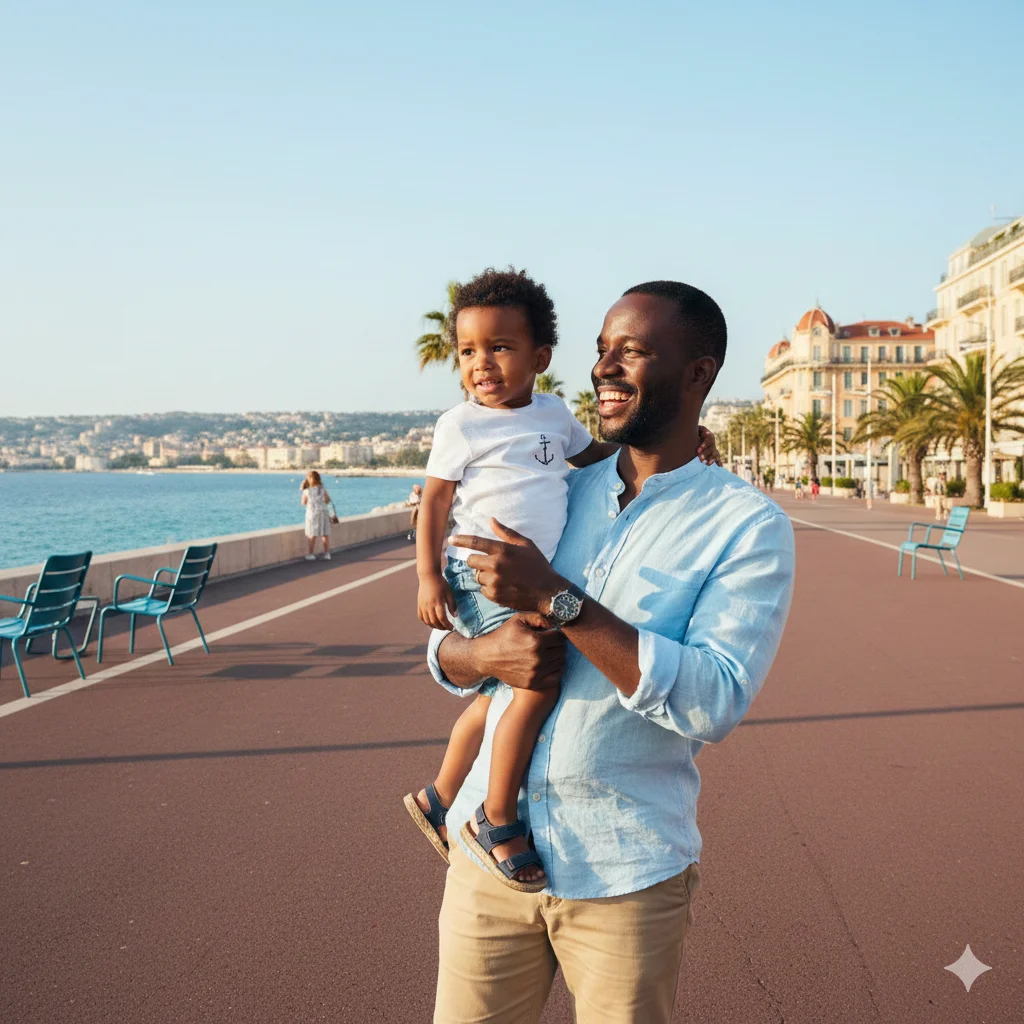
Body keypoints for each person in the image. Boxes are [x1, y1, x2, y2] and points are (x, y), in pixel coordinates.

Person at [425, 281, 795, 1023]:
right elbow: (448, 651)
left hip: (623, 874)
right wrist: (484, 655)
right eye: (600, 350)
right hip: (484, 863)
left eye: (631, 350)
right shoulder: (548, 483)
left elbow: (713, 700)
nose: (604, 368)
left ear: (697, 373)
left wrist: (562, 602)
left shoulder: (746, 525)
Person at [404, 268, 721, 892]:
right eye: (467, 352)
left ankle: (441, 797)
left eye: (499, 348)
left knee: (501, 691)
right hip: (481, 574)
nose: (481, 364)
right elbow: (435, 504)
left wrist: (689, 447)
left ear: (540, 357)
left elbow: (597, 455)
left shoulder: (550, 414)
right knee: (536, 680)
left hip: (529, 576)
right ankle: (496, 818)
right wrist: (427, 579)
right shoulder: (460, 424)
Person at [300, 470, 333, 561]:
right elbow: (328, 501)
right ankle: (327, 554)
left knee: (312, 534)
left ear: (310, 479)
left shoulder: (307, 491)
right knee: (325, 534)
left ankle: (311, 554)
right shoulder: (322, 489)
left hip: (312, 514)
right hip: (323, 513)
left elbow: (303, 502)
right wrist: (332, 514)